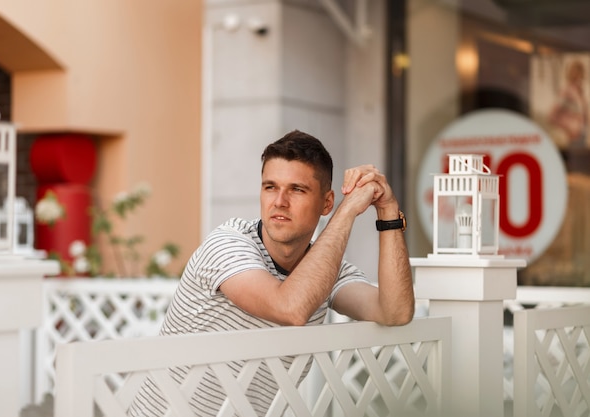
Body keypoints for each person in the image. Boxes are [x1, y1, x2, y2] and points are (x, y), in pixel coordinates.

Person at [128, 129, 415, 417]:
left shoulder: (325, 271)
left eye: (297, 189)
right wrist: (348, 210)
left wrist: (388, 209)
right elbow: (290, 307)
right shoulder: (227, 244)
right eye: (270, 187)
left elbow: (395, 312)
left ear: (326, 203)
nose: (279, 201)